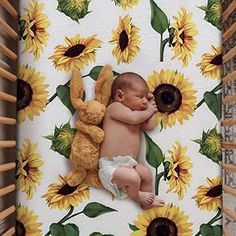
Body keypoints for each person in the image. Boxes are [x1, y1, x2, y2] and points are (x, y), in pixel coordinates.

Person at [99, 72, 165, 209]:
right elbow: (133, 118)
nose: (144, 101)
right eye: (140, 97)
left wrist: (152, 107)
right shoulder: (114, 109)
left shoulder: (137, 114)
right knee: (134, 177)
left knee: (146, 174)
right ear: (120, 96)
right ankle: (137, 196)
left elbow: (150, 126)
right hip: (111, 167)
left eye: (146, 97)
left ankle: (147, 202)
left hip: (129, 164)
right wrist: (147, 111)